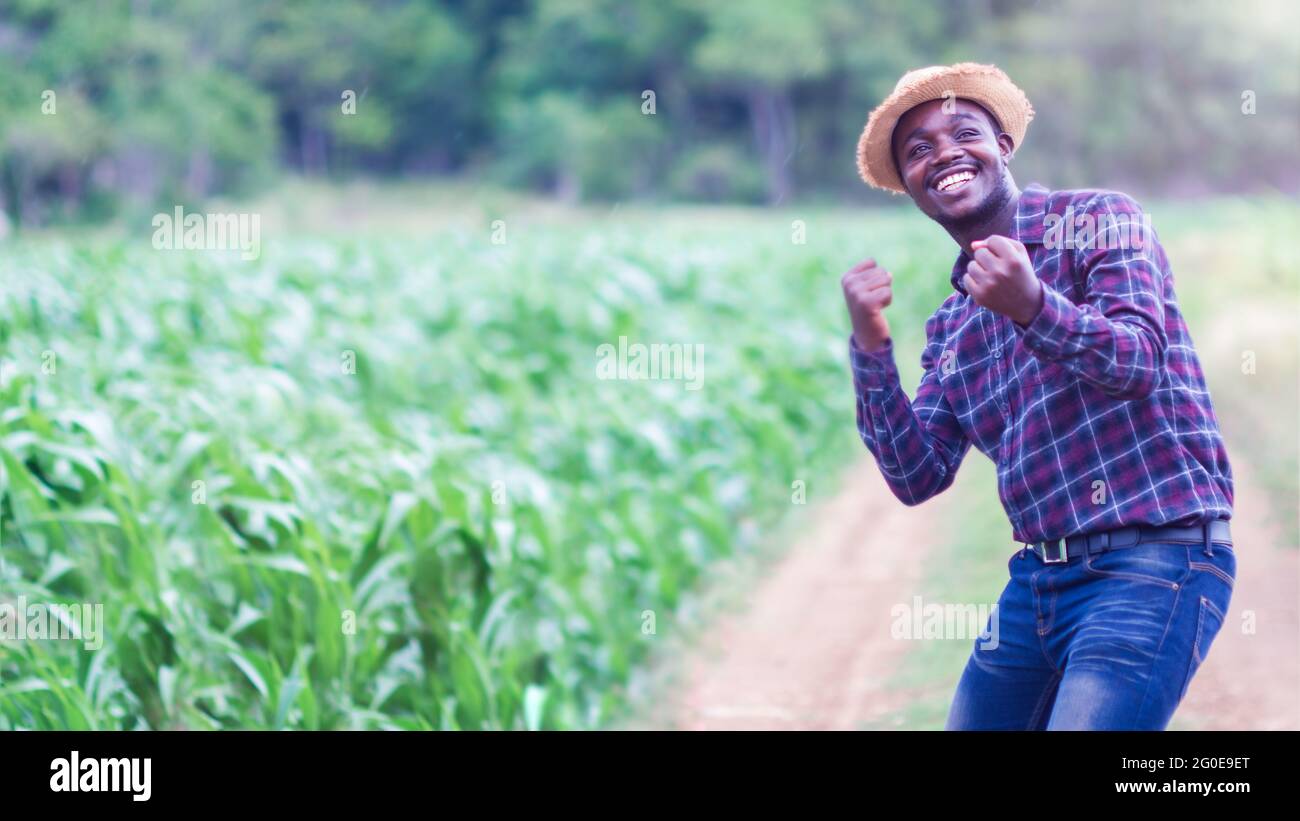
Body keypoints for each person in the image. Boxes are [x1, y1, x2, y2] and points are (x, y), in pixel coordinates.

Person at [841, 62, 1236, 729]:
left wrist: (1032, 306)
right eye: (918, 151)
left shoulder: (1100, 220)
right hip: (1037, 584)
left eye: (963, 131)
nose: (944, 154)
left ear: (1004, 146)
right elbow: (917, 474)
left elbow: (1138, 359)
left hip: (1158, 559)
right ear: (909, 186)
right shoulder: (952, 323)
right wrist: (871, 347)